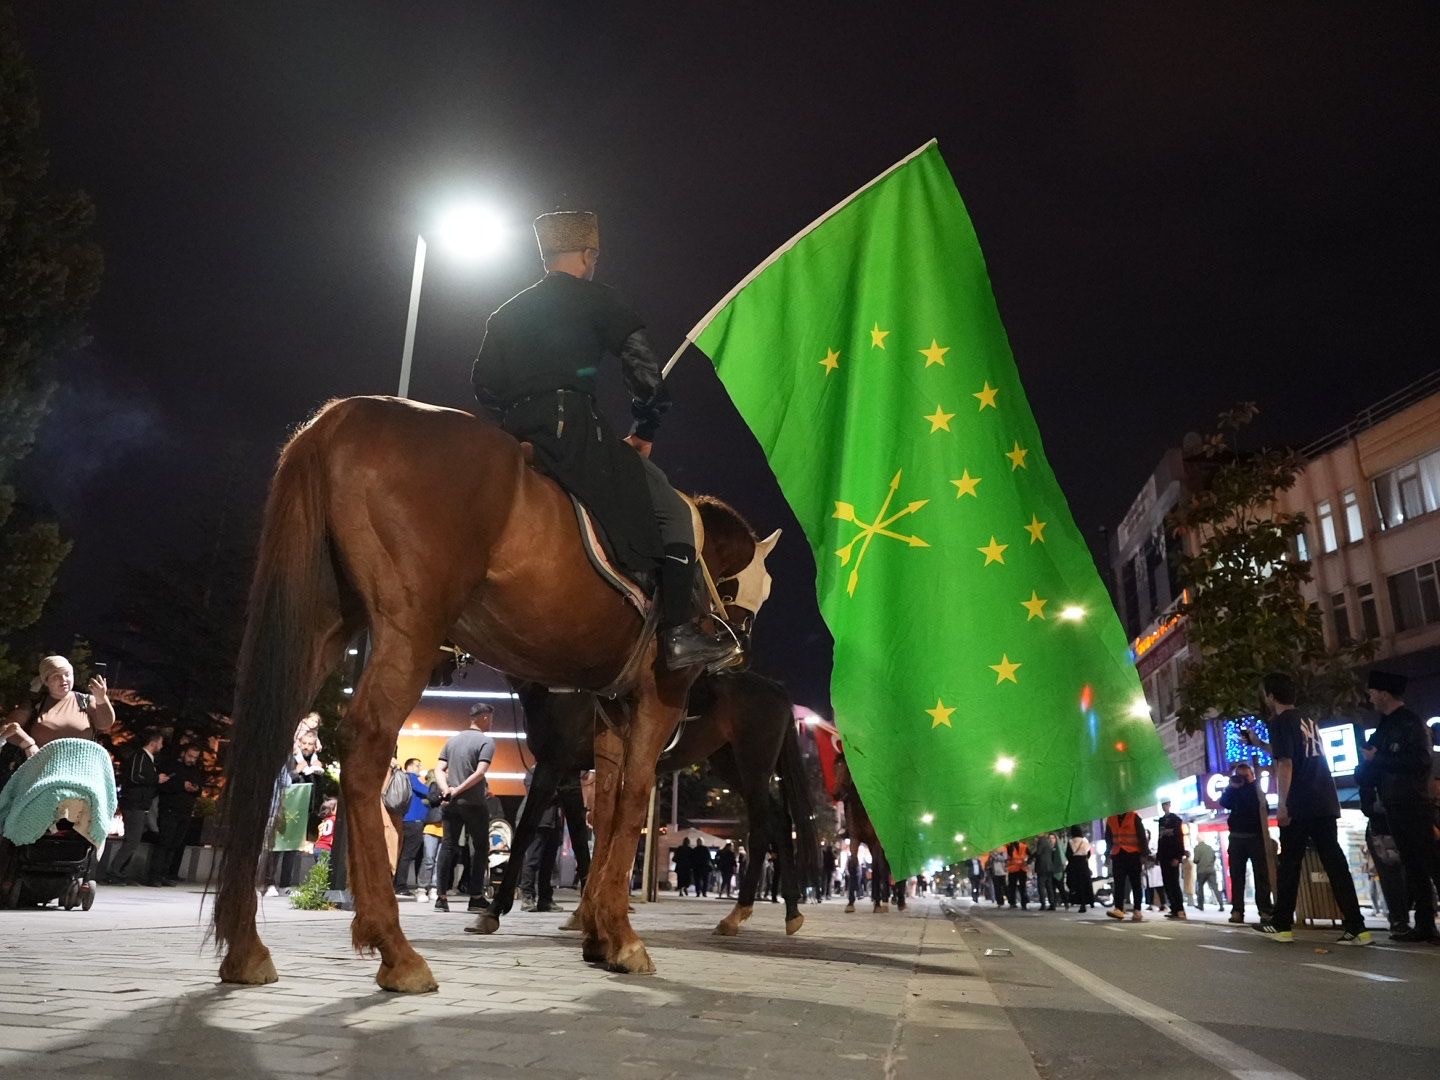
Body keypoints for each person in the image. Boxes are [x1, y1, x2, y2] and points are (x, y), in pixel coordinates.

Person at [471, 210, 735, 671]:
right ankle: (677, 634)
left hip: (515, 436)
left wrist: (517, 424)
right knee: (674, 513)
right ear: (589, 254)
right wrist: (644, 432)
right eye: (595, 255)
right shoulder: (600, 300)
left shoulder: (505, 312)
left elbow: (483, 383)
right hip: (575, 431)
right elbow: (647, 377)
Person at [1253, 672, 1370, 945]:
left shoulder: (1280, 721)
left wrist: (1282, 805)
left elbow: (1286, 763)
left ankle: (1281, 925)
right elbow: (1296, 752)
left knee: (1290, 864)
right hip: (1324, 799)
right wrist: (1259, 744)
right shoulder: (1307, 719)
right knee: (1335, 862)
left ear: (1271, 696)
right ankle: (1357, 926)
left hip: (1300, 803)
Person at [1358, 670, 1439, 943]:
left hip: (1413, 802)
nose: (1369, 697)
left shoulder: (1411, 724)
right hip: (1392, 804)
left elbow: (1420, 762)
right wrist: (1366, 777)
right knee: (1414, 866)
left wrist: (1377, 760)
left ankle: (1426, 923)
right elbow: (1370, 765)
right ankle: (1425, 925)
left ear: (1383, 693)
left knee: (1431, 863)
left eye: (1372, 692)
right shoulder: (1383, 726)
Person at [433, 702, 497, 912]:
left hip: (451, 803)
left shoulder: (452, 740)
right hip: (474, 803)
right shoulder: (486, 742)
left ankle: (441, 898)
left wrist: (447, 790)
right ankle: (476, 897)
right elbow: (479, 773)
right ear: (484, 717)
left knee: (448, 846)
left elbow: (439, 769)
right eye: (491, 718)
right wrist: (459, 789)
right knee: (480, 848)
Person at [2, 656, 116, 765]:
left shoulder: (86, 701)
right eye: (56, 676)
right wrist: (28, 744)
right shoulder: (35, 704)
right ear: (46, 681)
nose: (64, 679)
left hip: (82, 771)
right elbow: (7, 728)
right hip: (40, 771)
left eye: (67, 674)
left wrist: (101, 698)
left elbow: (104, 724)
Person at [1218, 762, 1273, 925]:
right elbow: (1224, 802)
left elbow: (1264, 809)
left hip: (1256, 836)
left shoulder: (1256, 790)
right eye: (1239, 775)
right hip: (1236, 837)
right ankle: (1237, 910)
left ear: (1252, 776)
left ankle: (1265, 910)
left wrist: (1247, 786)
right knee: (1237, 876)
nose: (1242, 779)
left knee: (1261, 874)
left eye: (1246, 776)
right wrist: (1232, 787)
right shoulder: (1233, 791)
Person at [108, 728, 165, 885]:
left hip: (139, 804)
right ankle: (115, 872)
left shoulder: (148, 759)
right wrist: (155, 779)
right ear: (153, 743)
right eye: (160, 742)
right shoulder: (139, 756)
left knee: (133, 839)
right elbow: (135, 776)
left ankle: (121, 872)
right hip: (134, 804)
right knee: (132, 840)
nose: (162, 746)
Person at [148, 743, 203, 886]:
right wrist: (181, 786)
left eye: (195, 757)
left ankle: (166, 874)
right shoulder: (171, 766)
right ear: (184, 753)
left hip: (185, 812)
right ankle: (154, 876)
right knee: (164, 842)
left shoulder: (195, 770)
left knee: (175, 844)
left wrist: (195, 789)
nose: (192, 760)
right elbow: (163, 786)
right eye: (190, 756)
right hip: (169, 810)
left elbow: (199, 788)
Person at [393, 758, 431, 898]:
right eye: (417, 765)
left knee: (405, 854)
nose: (419, 767)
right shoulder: (411, 777)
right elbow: (426, 791)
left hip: (409, 820)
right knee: (407, 855)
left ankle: (398, 884)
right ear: (409, 766)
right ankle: (401, 886)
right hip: (414, 821)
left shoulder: (406, 778)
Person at [1104, 809, 1147, 921]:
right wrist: (1107, 854)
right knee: (1118, 883)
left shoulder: (1134, 816)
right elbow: (1108, 839)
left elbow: (1142, 836)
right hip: (1118, 854)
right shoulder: (1111, 819)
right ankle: (1118, 909)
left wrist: (1144, 854)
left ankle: (1137, 910)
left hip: (1133, 854)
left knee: (1135, 883)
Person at [1155, 799, 1187, 920]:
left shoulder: (1176, 820)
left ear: (1169, 805)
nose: (1164, 807)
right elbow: (1160, 839)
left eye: (1166, 804)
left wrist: (1178, 857)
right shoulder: (1161, 821)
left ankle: (1180, 909)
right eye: (1163, 805)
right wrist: (1158, 856)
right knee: (1167, 883)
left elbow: (1179, 839)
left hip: (1172, 855)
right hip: (1164, 856)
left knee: (1174, 883)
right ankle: (1174, 908)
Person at [1066, 826, 1095, 913]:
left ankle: (1077, 901)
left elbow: (1068, 854)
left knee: (1076, 884)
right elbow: (1089, 853)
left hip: (1074, 865)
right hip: (1084, 864)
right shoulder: (1085, 841)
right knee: (1086, 884)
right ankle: (1090, 901)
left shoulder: (1071, 842)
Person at [1193, 837, 1223, 911]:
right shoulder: (1210, 848)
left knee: (1200, 888)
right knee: (1215, 887)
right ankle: (1221, 904)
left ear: (1198, 840)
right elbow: (1214, 857)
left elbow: (1196, 859)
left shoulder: (1197, 848)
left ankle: (1201, 905)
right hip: (1211, 870)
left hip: (1201, 871)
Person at [1034, 832, 1059, 911]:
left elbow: (1038, 852)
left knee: (1041, 886)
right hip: (1049, 867)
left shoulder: (1041, 841)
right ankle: (1052, 904)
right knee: (1049, 886)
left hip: (1042, 867)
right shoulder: (1048, 842)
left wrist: (1031, 857)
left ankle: (1043, 904)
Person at [1005, 839, 1030, 909]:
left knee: (1019, 887)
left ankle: (1021, 903)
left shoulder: (1023, 846)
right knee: (1015, 887)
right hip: (1015, 869)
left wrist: (1027, 862)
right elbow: (1008, 855)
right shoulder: (1010, 847)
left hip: (1020, 868)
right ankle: (1015, 903)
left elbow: (1030, 855)